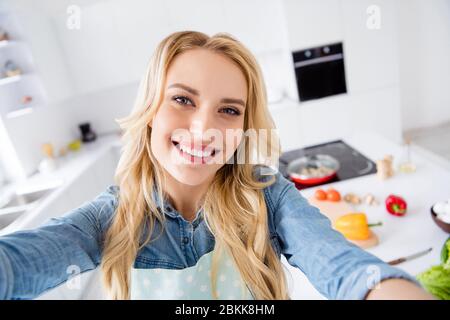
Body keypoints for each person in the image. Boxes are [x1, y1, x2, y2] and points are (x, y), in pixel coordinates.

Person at [0, 31, 433, 300]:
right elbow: (16, 266)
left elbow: (346, 269)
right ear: (151, 110)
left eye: (229, 110)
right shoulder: (112, 217)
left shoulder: (267, 196)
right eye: (183, 100)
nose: (204, 127)